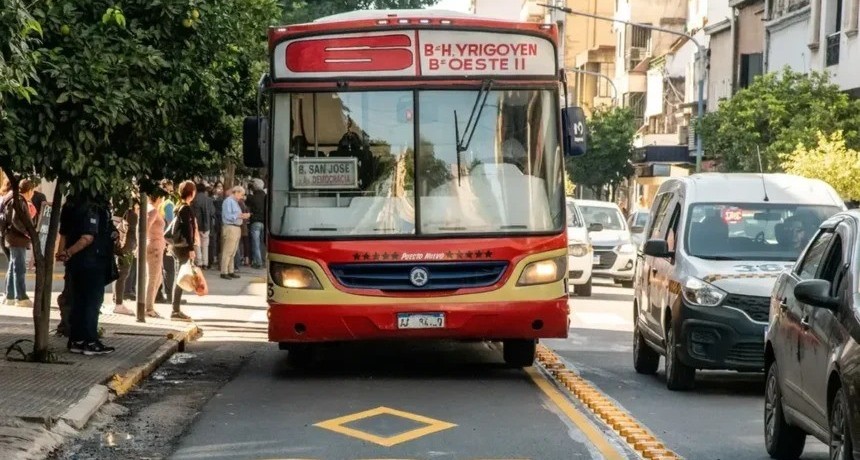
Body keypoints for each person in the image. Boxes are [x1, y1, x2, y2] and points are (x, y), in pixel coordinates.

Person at [57, 192, 115, 355]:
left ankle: (77, 340)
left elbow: (63, 232)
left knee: (79, 300)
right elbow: (87, 238)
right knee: (92, 301)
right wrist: (69, 252)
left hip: (76, 263)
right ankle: (90, 341)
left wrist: (63, 253)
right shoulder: (92, 208)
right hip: (92, 261)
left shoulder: (69, 205)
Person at [3, 179, 37, 308]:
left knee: (13, 265)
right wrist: (27, 232)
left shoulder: (12, 197)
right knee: (19, 267)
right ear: (29, 191)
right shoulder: (19, 200)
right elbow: (16, 220)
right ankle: (20, 297)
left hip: (11, 237)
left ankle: (10, 296)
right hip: (17, 238)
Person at [168, 181, 197, 321]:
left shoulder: (178, 206)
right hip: (183, 247)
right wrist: (191, 248)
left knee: (178, 277)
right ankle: (175, 310)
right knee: (180, 278)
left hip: (176, 246)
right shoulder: (185, 208)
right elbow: (188, 230)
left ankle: (175, 308)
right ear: (191, 193)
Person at [112, 194, 138, 315]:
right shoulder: (132, 215)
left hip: (122, 247)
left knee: (120, 274)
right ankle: (119, 303)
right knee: (123, 274)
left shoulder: (121, 212)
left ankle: (117, 300)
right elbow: (132, 233)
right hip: (126, 248)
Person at [145, 192, 167, 318]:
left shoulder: (150, 208)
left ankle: (149, 306)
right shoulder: (152, 210)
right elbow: (145, 227)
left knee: (156, 278)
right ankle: (149, 308)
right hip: (154, 247)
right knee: (154, 278)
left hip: (155, 245)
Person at [221, 186, 249, 280]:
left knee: (233, 251)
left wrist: (241, 216)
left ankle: (230, 270)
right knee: (228, 250)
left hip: (236, 227)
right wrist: (240, 216)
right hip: (231, 227)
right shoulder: (228, 201)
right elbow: (228, 215)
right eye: (241, 194)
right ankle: (224, 271)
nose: (241, 197)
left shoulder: (234, 202)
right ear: (236, 192)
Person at [158, 179, 178, 304]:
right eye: (170, 189)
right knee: (169, 269)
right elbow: (171, 223)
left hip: (159, 237)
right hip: (167, 240)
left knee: (160, 268)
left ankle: (159, 294)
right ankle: (170, 295)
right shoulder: (169, 203)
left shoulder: (159, 202)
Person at [191, 182, 215, 269]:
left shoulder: (194, 200)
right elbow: (212, 212)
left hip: (197, 224)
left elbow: (192, 213)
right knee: (205, 244)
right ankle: (205, 262)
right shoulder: (209, 200)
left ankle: (199, 262)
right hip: (207, 225)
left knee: (197, 244)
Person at [246, 180, 266, 269]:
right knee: (262, 243)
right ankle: (263, 260)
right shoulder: (266, 197)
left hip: (255, 221)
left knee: (255, 243)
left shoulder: (252, 197)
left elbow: (247, 204)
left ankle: (258, 262)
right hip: (264, 222)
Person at [209, 183, 224, 270]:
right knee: (214, 241)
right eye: (218, 187)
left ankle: (218, 258)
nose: (220, 189)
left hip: (221, 222)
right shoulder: (211, 199)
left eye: (221, 187)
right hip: (214, 222)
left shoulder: (223, 198)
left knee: (220, 241)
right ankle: (214, 257)